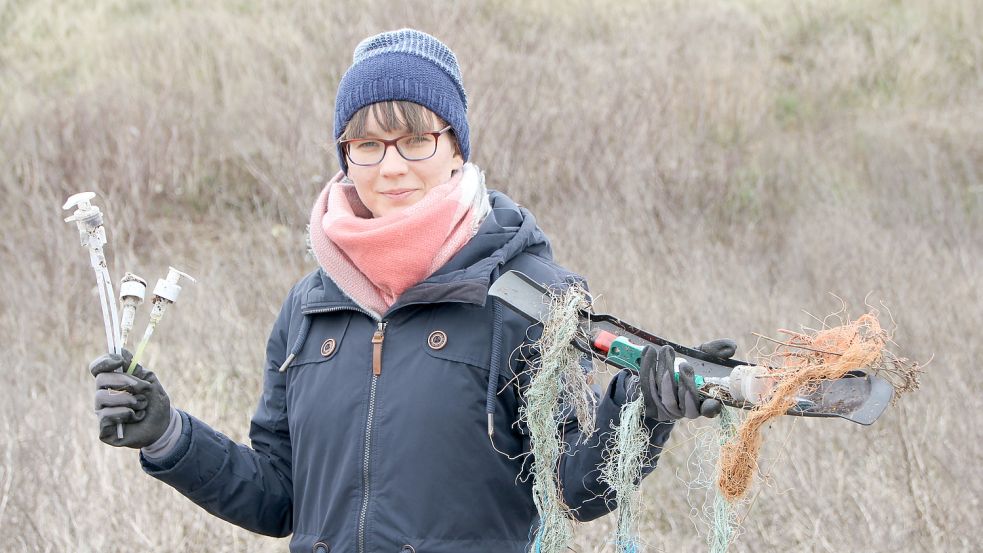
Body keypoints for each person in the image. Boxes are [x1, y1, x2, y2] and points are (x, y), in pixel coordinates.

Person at [89, 29, 735, 553]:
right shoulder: (309, 308)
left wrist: (641, 411)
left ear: (455, 147)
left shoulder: (526, 297)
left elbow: (571, 487)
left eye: (415, 139)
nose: (391, 165)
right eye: (367, 143)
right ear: (345, 155)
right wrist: (168, 434)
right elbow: (278, 496)